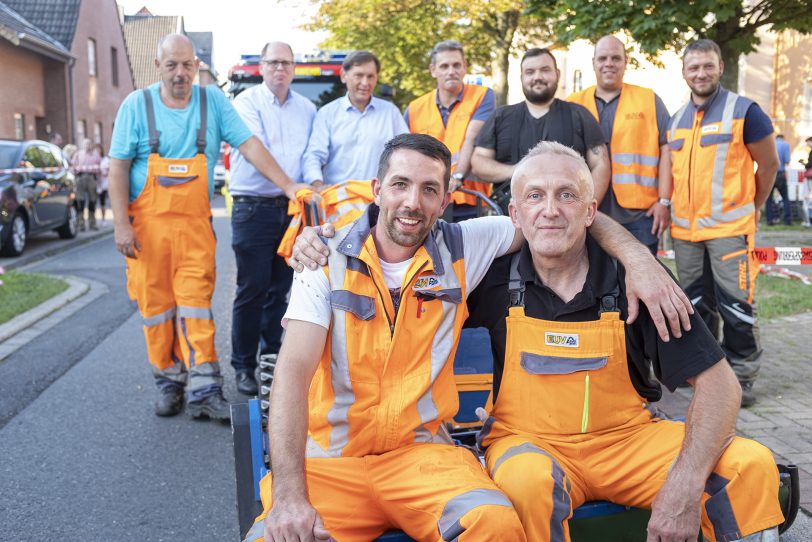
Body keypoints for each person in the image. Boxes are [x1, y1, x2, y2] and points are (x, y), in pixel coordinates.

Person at [247, 133, 693, 542]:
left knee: (495, 524)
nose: (412, 202)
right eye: (400, 185)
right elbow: (291, 375)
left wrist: (639, 258)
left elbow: (561, 217)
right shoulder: (324, 261)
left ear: (444, 201)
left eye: (429, 190)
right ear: (376, 188)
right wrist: (289, 495)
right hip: (330, 466)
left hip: (421, 461)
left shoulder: (466, 245)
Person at [468, 140, 783, 542]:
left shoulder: (641, 283)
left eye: (567, 195)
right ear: (515, 214)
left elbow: (720, 386)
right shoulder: (487, 277)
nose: (550, 210)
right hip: (528, 445)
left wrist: (684, 487)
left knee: (748, 464)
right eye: (535, 196)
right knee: (526, 485)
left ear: (590, 212)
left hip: (628, 444)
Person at [108, 34, 306, 421]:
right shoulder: (137, 105)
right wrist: (120, 224)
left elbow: (249, 145)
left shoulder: (212, 101)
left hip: (195, 228)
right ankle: (168, 382)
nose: (180, 74)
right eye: (172, 66)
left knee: (197, 306)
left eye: (187, 65)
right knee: (157, 309)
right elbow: (117, 167)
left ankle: (204, 389)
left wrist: (288, 186)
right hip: (146, 230)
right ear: (158, 66)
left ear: (196, 65)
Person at [668, 39, 778, 407]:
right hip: (685, 232)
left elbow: (770, 165)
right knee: (696, 305)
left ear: (720, 66)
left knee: (736, 304)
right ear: (684, 72)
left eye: (707, 66)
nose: (700, 73)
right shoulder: (677, 118)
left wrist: (753, 206)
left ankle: (742, 375)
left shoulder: (745, 111)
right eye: (693, 67)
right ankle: (705, 370)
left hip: (730, 230)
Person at [227, 41, 317, 396]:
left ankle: (273, 358)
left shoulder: (308, 109)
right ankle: (244, 366)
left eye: (286, 63)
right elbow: (255, 151)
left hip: (293, 210)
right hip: (254, 208)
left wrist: (310, 187)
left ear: (294, 69)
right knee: (252, 289)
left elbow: (312, 154)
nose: (280, 69)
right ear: (261, 67)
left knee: (281, 290)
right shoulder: (246, 103)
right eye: (274, 62)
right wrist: (291, 185)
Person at [471, 47, 609, 213]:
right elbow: (478, 162)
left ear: (557, 74)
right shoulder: (500, 117)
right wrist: (517, 170)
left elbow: (601, 164)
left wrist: (585, 210)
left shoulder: (579, 115)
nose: (537, 77)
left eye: (545, 70)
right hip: (509, 219)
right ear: (522, 77)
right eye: (530, 72)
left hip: (566, 218)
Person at [568, 35, 672, 254]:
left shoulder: (649, 99)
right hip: (586, 210)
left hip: (640, 215)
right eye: (602, 58)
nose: (609, 63)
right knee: (591, 282)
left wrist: (664, 200)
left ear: (626, 62)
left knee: (640, 281)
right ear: (593, 63)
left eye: (616, 58)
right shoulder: (572, 103)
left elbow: (667, 151)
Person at [405, 40, 496, 221]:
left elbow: (471, 138)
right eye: (444, 66)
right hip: (426, 202)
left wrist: (457, 176)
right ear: (433, 70)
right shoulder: (414, 108)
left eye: (456, 65)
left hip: (469, 198)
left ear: (465, 67)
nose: (451, 71)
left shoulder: (482, 96)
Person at [302, 50, 408, 186]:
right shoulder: (327, 113)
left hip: (379, 201)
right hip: (339, 200)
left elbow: (405, 154)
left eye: (370, 76)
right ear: (343, 76)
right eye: (359, 75)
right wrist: (318, 185)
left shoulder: (391, 113)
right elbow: (314, 156)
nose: (365, 83)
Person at [71, 138, 101, 231]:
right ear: (82, 145)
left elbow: (99, 166)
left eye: (89, 144)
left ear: (91, 145)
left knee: (93, 200)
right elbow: (73, 166)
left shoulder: (95, 154)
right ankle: (81, 223)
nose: (87, 145)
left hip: (92, 178)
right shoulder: (78, 154)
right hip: (81, 177)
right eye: (85, 144)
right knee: (80, 201)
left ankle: (92, 222)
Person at [766, 134, 792, 225]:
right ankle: (787, 220)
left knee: (768, 199)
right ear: (783, 138)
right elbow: (787, 160)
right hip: (780, 174)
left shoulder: (769, 145)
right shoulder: (785, 145)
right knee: (785, 198)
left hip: (769, 174)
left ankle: (769, 220)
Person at [96, 144, 110, 224]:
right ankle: (100, 219)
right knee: (97, 203)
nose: (97, 152)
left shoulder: (105, 160)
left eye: (99, 150)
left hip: (105, 185)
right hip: (97, 184)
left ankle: (104, 219)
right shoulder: (95, 160)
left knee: (104, 202)